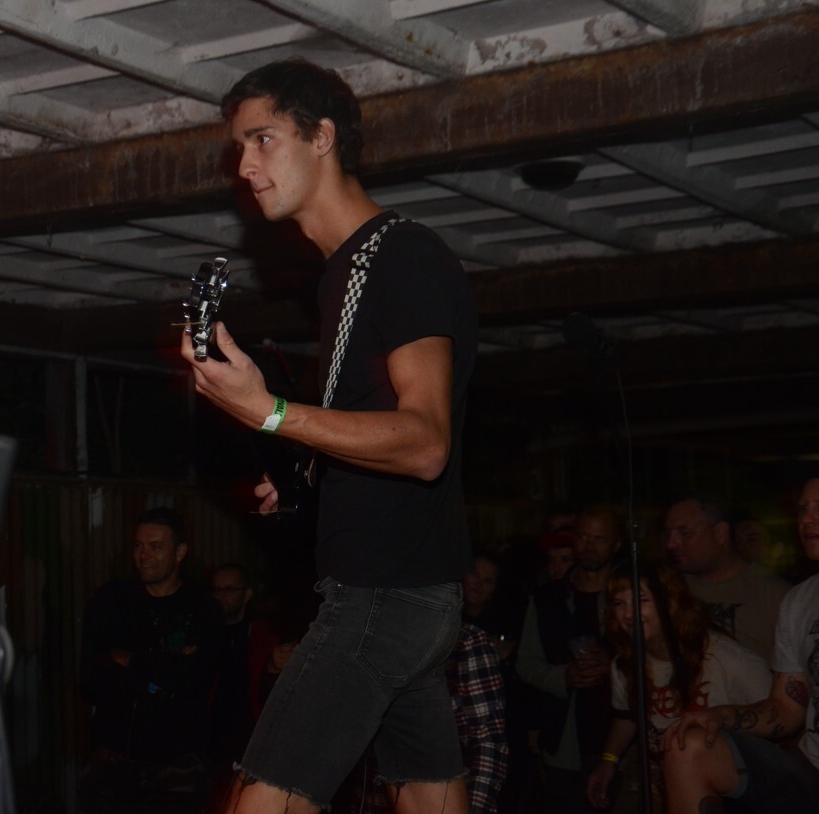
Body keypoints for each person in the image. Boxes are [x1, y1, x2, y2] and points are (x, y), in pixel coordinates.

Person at [182, 57, 478, 813]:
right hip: (408, 592)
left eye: (262, 139)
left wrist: (271, 412)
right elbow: (380, 437)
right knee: (429, 799)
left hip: (382, 597)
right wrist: (304, 477)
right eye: (238, 148)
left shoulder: (400, 254)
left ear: (321, 136)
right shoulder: (342, 275)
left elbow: (424, 443)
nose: (245, 167)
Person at [661, 466, 819, 813]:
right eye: (803, 509)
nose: (807, 519)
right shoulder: (799, 600)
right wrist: (721, 715)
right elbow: (786, 709)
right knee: (689, 746)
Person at [585, 561, 771, 810]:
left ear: (671, 603)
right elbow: (628, 715)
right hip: (659, 786)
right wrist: (608, 761)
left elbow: (778, 723)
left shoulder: (731, 660)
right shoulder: (625, 663)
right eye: (619, 603)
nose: (628, 614)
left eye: (641, 600)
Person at [77, 507, 223, 814]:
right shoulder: (112, 601)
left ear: (179, 552)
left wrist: (131, 661)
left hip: (177, 764)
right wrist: (164, 666)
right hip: (114, 759)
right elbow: (91, 675)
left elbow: (192, 679)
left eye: (155, 547)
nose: (144, 555)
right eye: (138, 546)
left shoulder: (201, 609)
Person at [515, 507, 621, 813]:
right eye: (583, 536)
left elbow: (659, 659)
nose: (589, 546)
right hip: (566, 743)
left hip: (622, 744)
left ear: (616, 544)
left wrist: (614, 667)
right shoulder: (547, 598)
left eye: (599, 538)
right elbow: (526, 663)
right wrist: (563, 676)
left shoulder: (633, 595)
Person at [346, 621, 509, 814]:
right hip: (370, 801)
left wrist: (473, 808)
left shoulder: (464, 641)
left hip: (437, 802)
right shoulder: (369, 636)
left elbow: (488, 742)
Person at [663, 495, 789, 659]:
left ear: (720, 532)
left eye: (684, 533)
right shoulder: (670, 590)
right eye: (668, 534)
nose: (671, 543)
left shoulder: (773, 594)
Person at [207, 564, 280, 795]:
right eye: (216, 589)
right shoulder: (206, 633)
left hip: (249, 743)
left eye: (228, 590)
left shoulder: (263, 635)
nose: (220, 596)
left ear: (247, 594)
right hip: (209, 744)